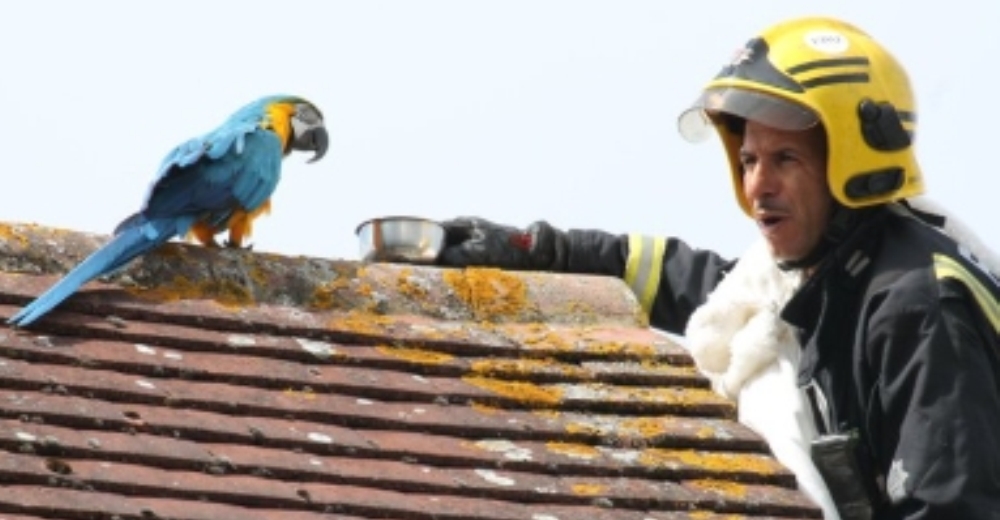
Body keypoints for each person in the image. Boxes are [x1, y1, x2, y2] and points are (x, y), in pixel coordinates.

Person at [436, 16, 1000, 520]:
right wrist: (542, 251)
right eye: (749, 160)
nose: (757, 185)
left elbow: (951, 506)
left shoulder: (916, 307)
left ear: (854, 164)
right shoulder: (820, 281)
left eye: (785, 158)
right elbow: (698, 287)